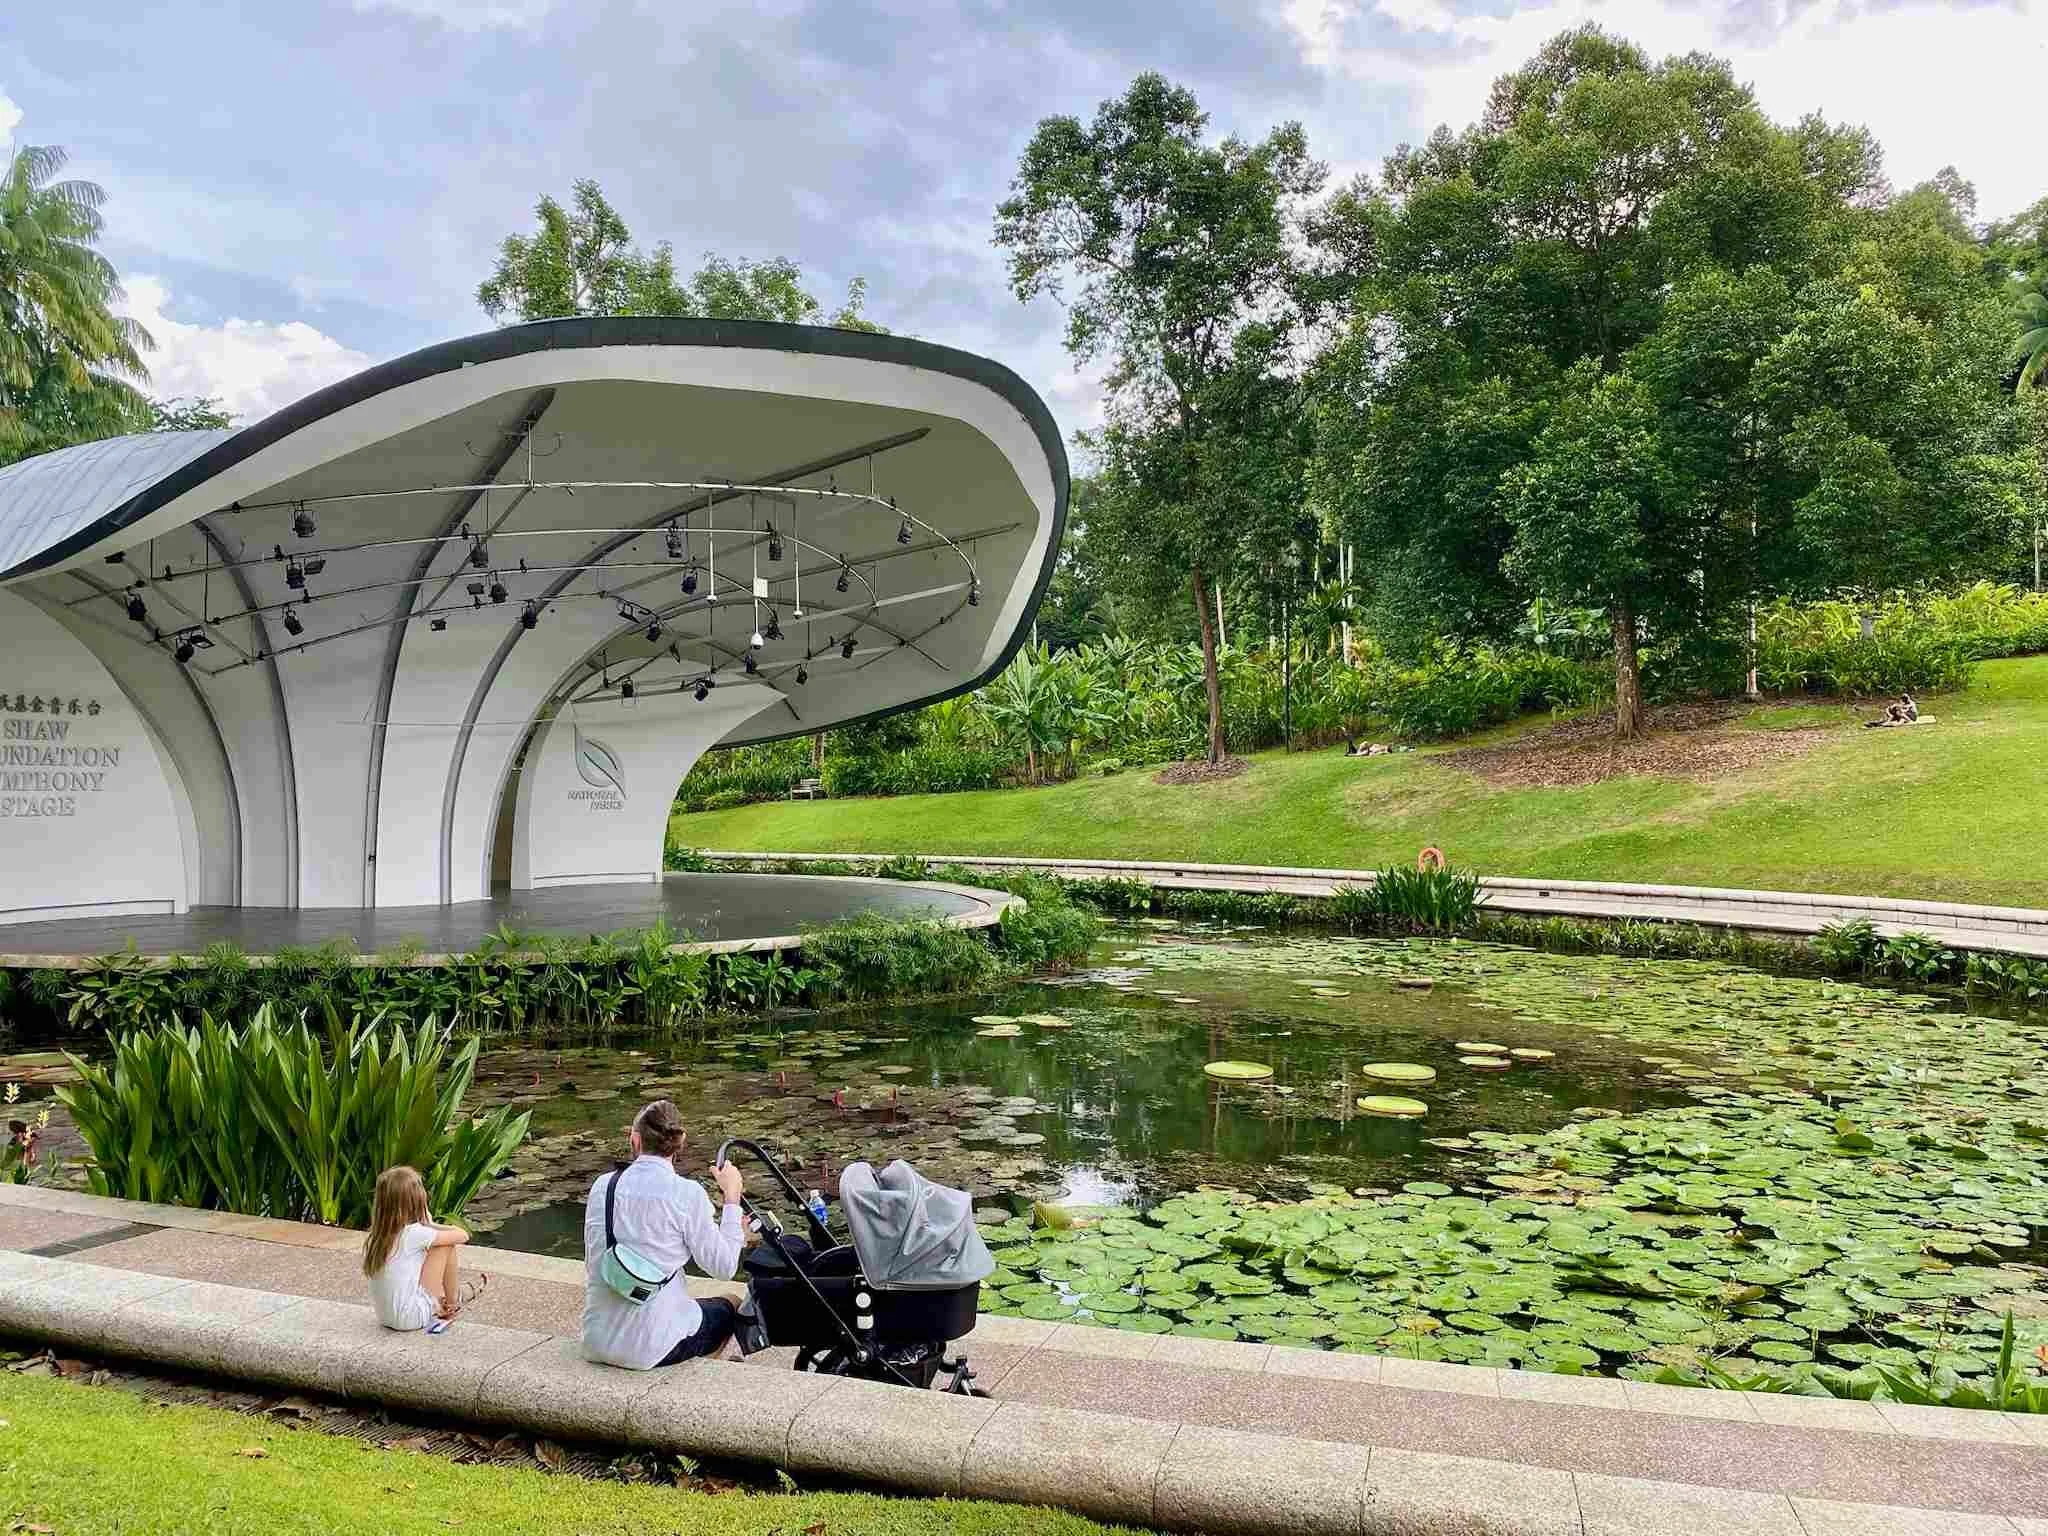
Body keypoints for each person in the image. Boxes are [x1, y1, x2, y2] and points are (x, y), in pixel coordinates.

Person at [582, 1099, 747, 1369]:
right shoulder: (686, 1193)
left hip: (596, 1340)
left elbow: (593, 1263)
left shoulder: (603, 1186)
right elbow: (724, 1267)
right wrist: (731, 1198)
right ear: (680, 1141)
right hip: (652, 1349)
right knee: (733, 1304)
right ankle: (694, 1377)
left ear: (635, 1139)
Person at [363, 1166, 482, 1333]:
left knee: (428, 1249)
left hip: (385, 1317)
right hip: (411, 1318)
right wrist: (430, 1224)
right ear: (417, 1200)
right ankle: (452, 1302)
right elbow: (462, 1235)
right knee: (445, 1245)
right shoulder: (413, 1233)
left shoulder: (376, 1237)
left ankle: (446, 1297)